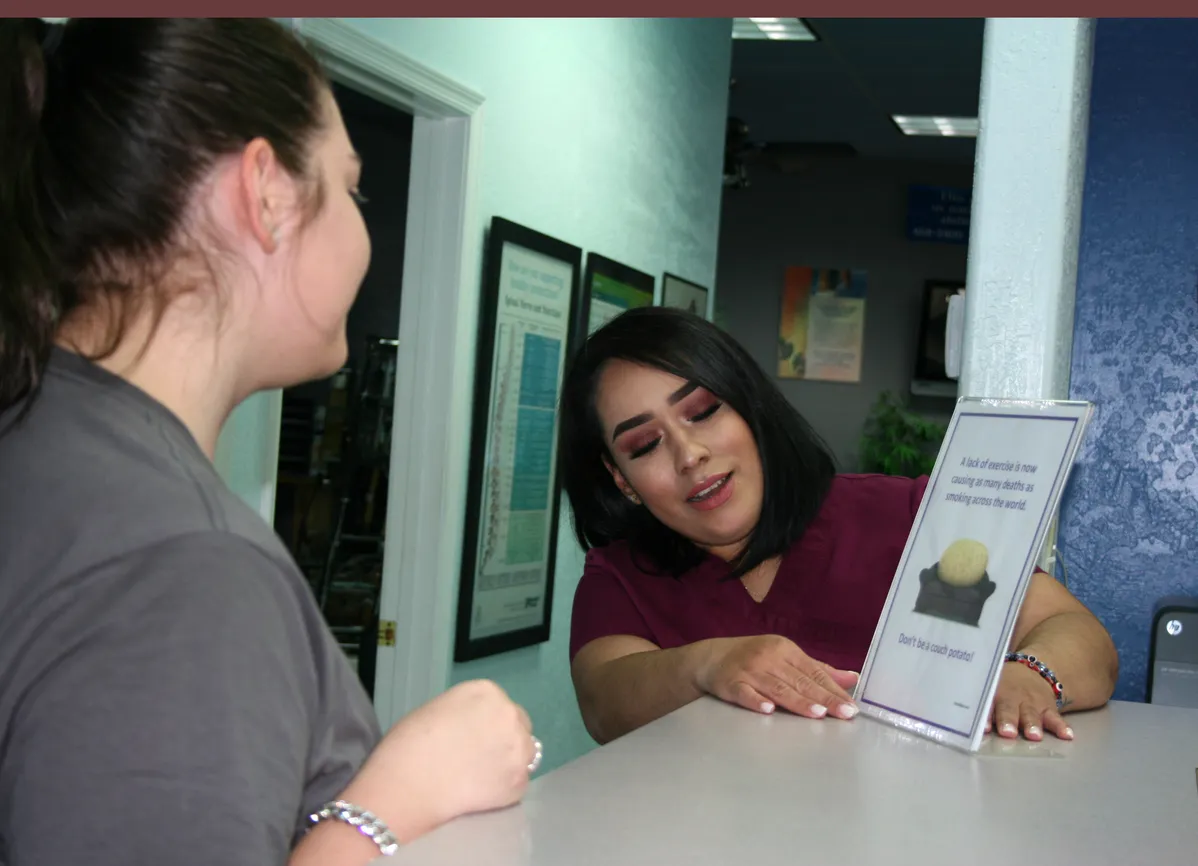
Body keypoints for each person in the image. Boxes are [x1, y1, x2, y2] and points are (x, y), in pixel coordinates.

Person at [0, 18, 538, 866]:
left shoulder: (42, 435)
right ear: (268, 194)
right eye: (353, 190)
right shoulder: (182, 563)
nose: (362, 231)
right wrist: (385, 805)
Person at [558, 307, 1119, 745]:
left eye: (702, 412)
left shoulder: (904, 519)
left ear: (750, 408)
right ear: (622, 479)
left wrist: (1031, 677)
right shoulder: (623, 575)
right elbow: (605, 703)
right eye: (645, 444)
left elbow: (1080, 635)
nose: (689, 454)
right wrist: (707, 664)